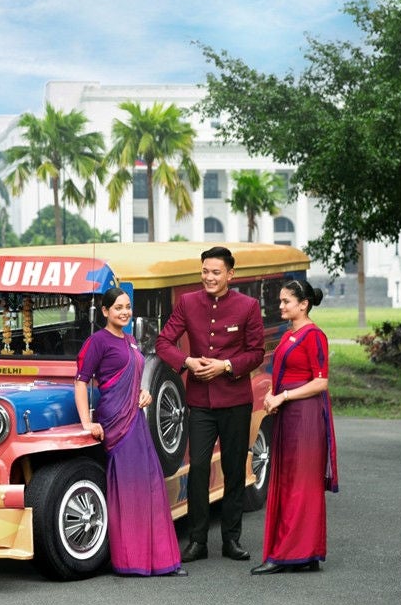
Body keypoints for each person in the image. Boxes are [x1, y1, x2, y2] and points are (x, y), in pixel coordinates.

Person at [156, 246, 264, 563]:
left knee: (233, 470)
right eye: (205, 271)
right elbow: (164, 342)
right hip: (200, 401)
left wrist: (226, 366)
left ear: (230, 274)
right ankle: (198, 541)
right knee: (199, 469)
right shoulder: (188, 302)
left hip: (235, 401)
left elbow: (256, 353)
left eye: (216, 272)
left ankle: (231, 540)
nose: (209, 277)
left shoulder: (248, 306)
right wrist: (186, 360)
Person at [75, 287, 187, 577]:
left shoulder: (131, 339)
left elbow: (134, 375)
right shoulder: (97, 342)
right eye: (118, 308)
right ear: (104, 312)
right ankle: (132, 560)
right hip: (116, 422)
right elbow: (81, 382)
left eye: (127, 307)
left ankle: (160, 560)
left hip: (135, 418)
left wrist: (144, 391)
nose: (124, 312)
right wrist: (87, 422)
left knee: (150, 486)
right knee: (129, 489)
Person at [250, 278, 339, 575]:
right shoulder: (291, 334)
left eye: (286, 301)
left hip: (305, 416)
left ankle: (290, 552)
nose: (281, 306)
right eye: (280, 301)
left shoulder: (314, 335)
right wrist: (272, 395)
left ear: (304, 305)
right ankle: (304, 553)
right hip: (288, 414)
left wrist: (283, 395)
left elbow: (321, 381)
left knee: (301, 482)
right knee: (288, 480)